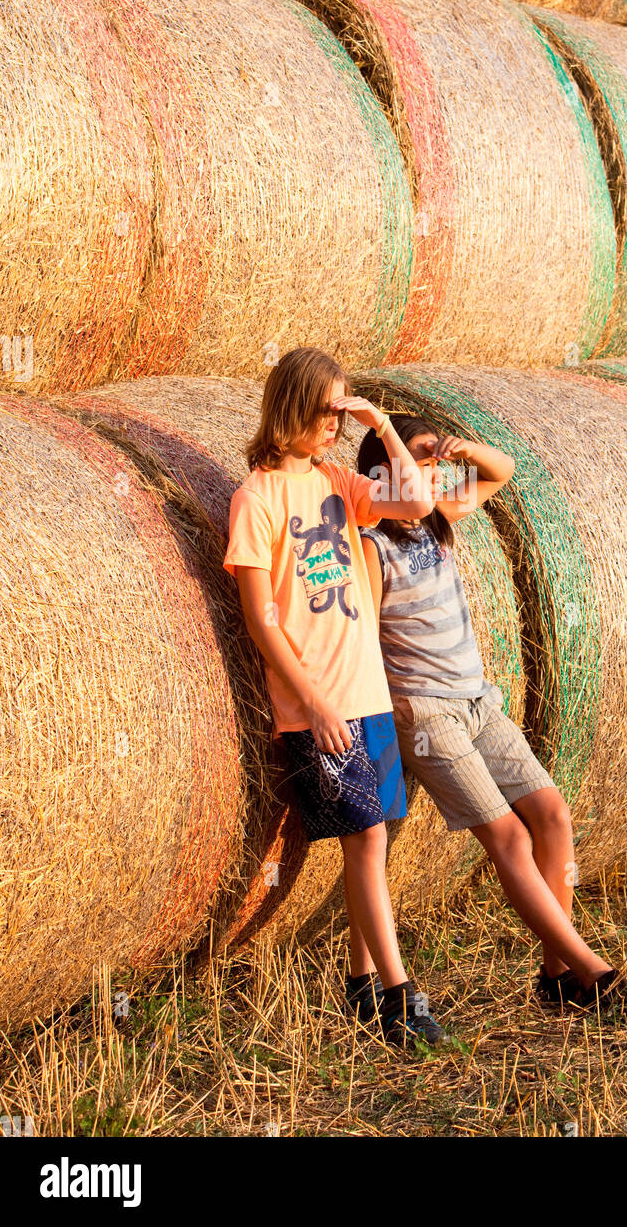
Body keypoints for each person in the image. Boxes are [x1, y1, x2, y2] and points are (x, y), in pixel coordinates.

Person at [357, 412, 627, 1024]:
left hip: (479, 702)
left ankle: (555, 976)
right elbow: (364, 640)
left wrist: (458, 445)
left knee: (551, 815)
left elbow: (503, 471)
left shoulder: (438, 523)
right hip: (426, 714)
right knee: (509, 837)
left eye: (435, 460)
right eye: (421, 457)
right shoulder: (374, 544)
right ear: (385, 472)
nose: (437, 469)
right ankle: (592, 972)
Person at [223, 348, 448, 1048]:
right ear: (290, 406)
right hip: (317, 705)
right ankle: (400, 995)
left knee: (370, 846)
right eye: (326, 410)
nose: (334, 423)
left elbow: (417, 503)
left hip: (368, 692)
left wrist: (377, 420)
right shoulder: (256, 498)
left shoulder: (336, 481)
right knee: (368, 838)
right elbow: (261, 620)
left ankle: (358, 984)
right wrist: (315, 706)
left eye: (341, 409)